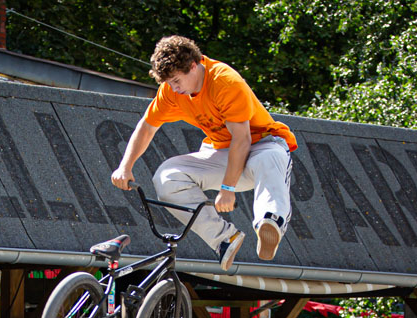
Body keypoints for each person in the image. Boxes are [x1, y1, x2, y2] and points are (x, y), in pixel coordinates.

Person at [111, 35, 297, 272]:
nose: (174, 89)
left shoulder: (225, 82)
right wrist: (125, 166)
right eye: (169, 84)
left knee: (270, 158)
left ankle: (270, 221)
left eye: (177, 81)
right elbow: (147, 127)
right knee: (167, 177)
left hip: (262, 145)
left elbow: (242, 139)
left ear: (193, 66)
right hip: (221, 153)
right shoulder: (171, 92)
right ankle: (223, 238)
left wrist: (227, 189)